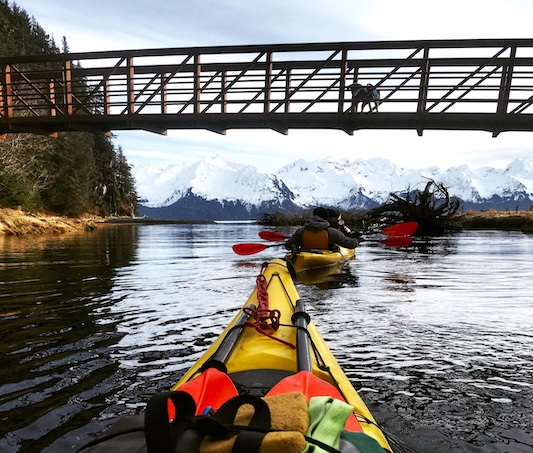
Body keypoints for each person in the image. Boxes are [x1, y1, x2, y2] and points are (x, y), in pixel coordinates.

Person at [284, 207, 359, 252]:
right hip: (324, 256)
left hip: (305, 255)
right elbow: (351, 244)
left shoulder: (301, 231)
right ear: (326, 218)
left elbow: (288, 246)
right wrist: (357, 240)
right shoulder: (332, 232)